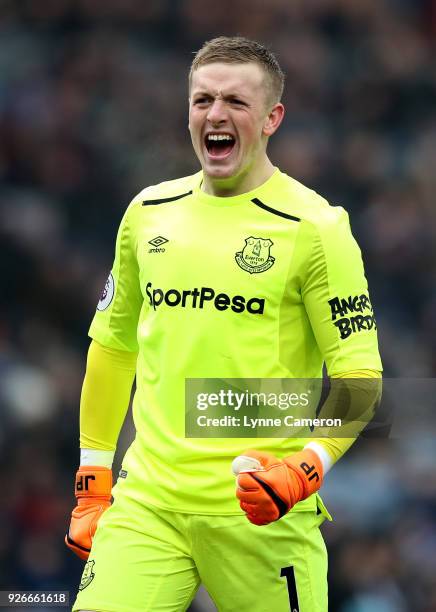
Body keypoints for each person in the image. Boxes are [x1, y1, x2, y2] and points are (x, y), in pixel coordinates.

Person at [66, 36, 382, 612]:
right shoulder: (147, 213)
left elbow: (360, 375)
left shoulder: (316, 228)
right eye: (202, 100)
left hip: (262, 509)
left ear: (271, 118)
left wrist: (305, 470)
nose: (216, 114)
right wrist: (93, 476)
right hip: (149, 505)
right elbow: (112, 349)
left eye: (236, 102)